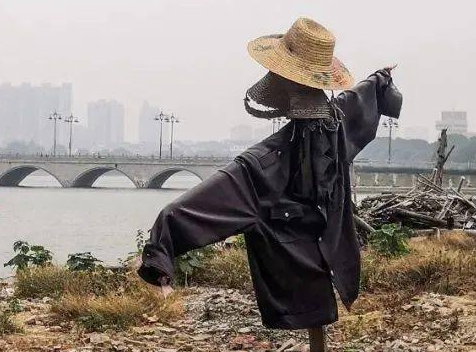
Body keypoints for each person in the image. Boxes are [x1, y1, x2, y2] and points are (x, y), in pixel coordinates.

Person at [137, 17, 401, 329]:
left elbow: (202, 204)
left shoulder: (265, 162)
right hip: (326, 263)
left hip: (294, 278)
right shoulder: (335, 127)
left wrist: (160, 252)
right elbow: (358, 100)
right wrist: (379, 82)